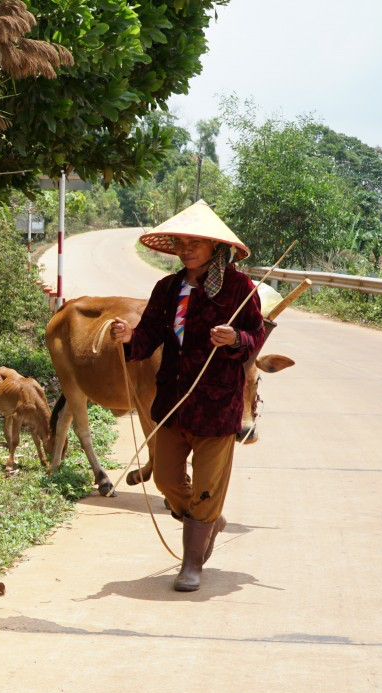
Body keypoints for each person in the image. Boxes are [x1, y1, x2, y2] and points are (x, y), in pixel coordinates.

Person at [110, 201, 267, 592]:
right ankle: (209, 521)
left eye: (195, 242)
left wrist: (235, 339)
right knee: (165, 480)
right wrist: (129, 337)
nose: (186, 248)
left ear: (216, 247)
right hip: (173, 403)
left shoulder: (239, 289)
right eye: (181, 242)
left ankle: (191, 565)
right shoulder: (167, 288)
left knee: (208, 487)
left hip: (217, 405)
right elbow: (149, 335)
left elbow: (255, 339)